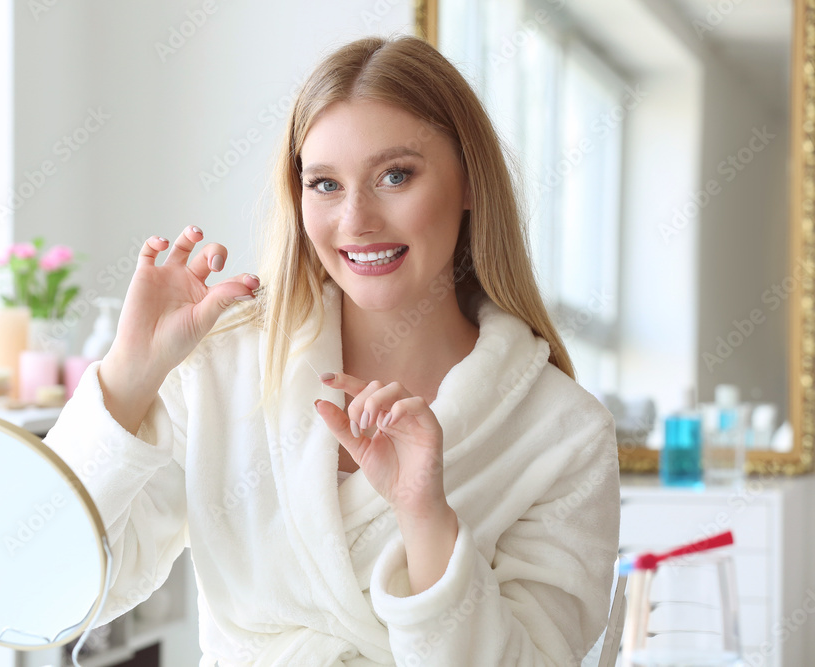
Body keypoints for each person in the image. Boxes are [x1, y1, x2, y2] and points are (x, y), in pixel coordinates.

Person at [44, 34, 620, 666]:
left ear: (468, 182)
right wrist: (129, 375)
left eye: (395, 176)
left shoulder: (563, 433)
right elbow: (51, 586)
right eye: (324, 184)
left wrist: (425, 518)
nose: (355, 220)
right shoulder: (224, 366)